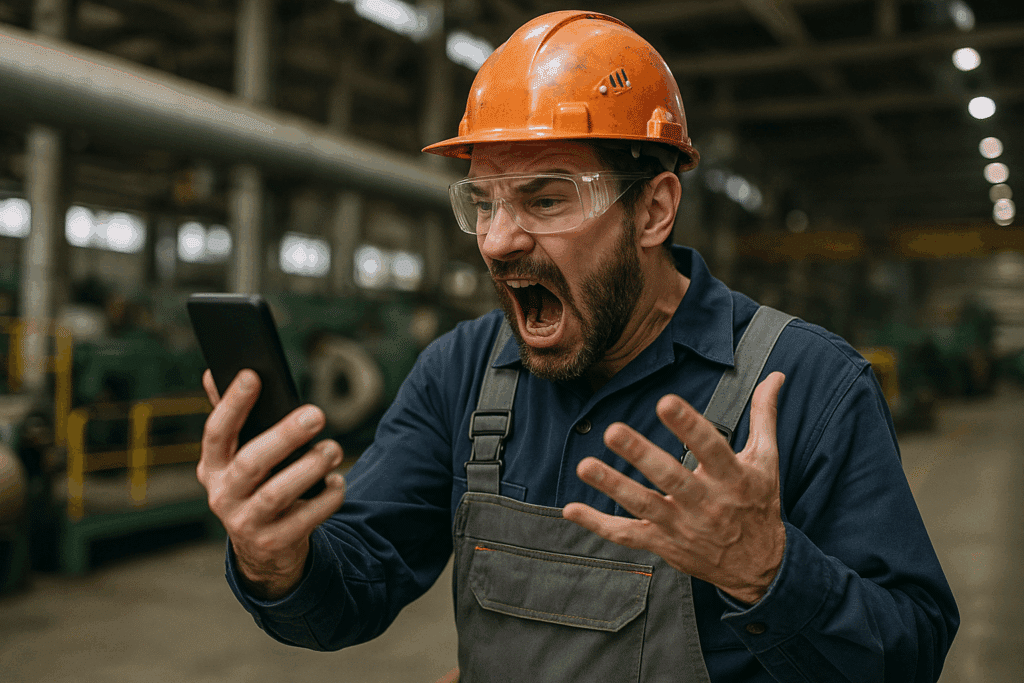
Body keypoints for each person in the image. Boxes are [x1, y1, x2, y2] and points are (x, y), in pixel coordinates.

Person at [197, 11, 958, 682]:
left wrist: (771, 572)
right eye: (484, 201)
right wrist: (277, 558)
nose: (497, 241)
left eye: (546, 198)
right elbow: (348, 593)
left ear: (654, 209)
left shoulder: (806, 387)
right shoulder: (460, 375)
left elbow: (911, 652)